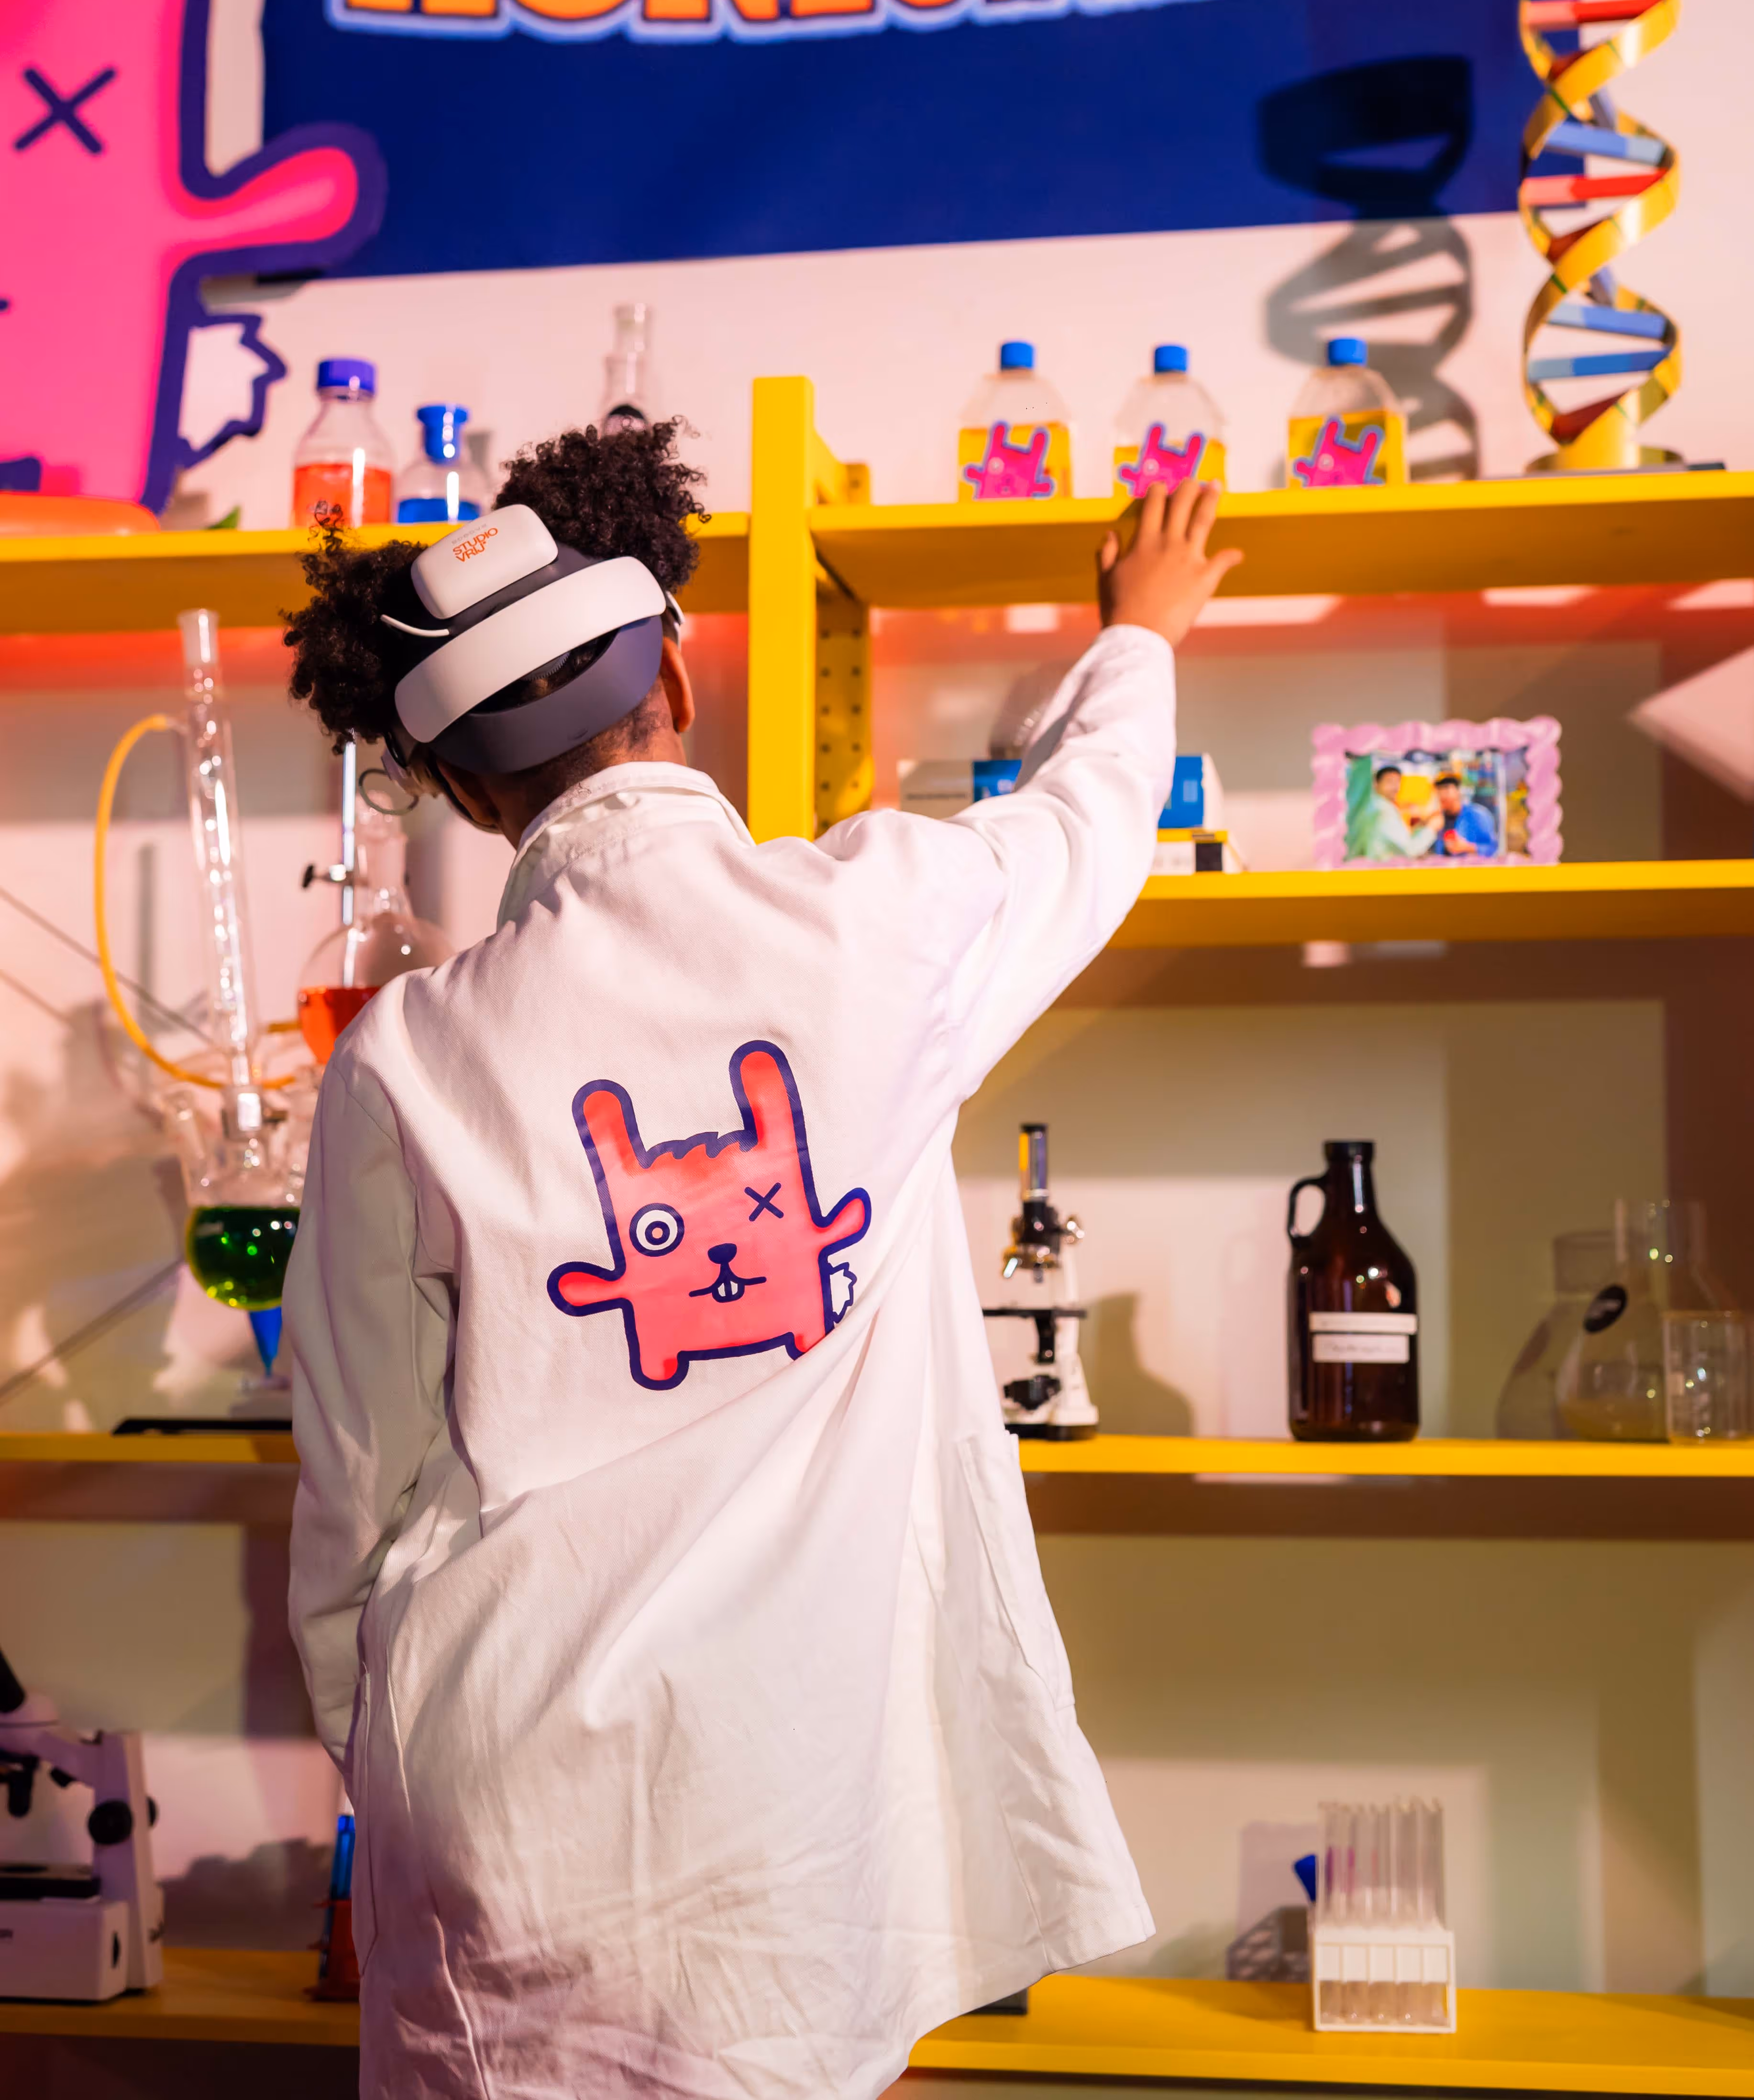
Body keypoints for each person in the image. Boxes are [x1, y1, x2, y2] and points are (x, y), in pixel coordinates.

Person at [279, 421, 1239, 2100]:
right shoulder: (885, 920)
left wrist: (387, 1774)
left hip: (493, 1798)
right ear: (683, 680)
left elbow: (354, 1487)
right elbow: (1093, 824)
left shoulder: (405, 1059)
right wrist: (1135, 628)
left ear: (460, 789)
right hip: (781, 1824)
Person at [1351, 762, 1424, 862]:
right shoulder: (1383, 810)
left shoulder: (1375, 805)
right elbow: (1410, 850)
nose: (1395, 787)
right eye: (1390, 782)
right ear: (1376, 784)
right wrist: (1432, 827)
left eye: (1398, 782)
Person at [1428, 769, 1497, 857]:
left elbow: (1493, 849)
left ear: (1458, 791)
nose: (1442, 795)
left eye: (1446, 789)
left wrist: (1467, 847)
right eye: (1439, 790)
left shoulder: (1477, 815)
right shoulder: (1437, 818)